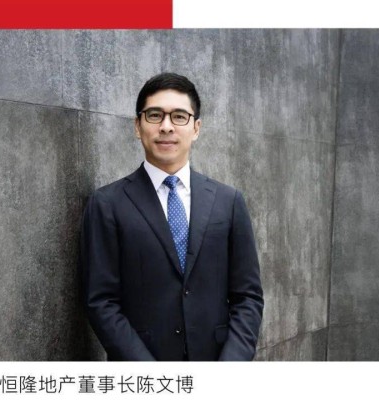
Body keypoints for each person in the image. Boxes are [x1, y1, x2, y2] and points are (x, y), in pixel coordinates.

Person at [80, 72, 263, 361]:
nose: (166, 127)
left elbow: (247, 296)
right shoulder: (107, 204)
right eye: (155, 115)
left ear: (196, 128)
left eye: (179, 116)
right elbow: (101, 301)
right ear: (138, 126)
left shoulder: (228, 201)